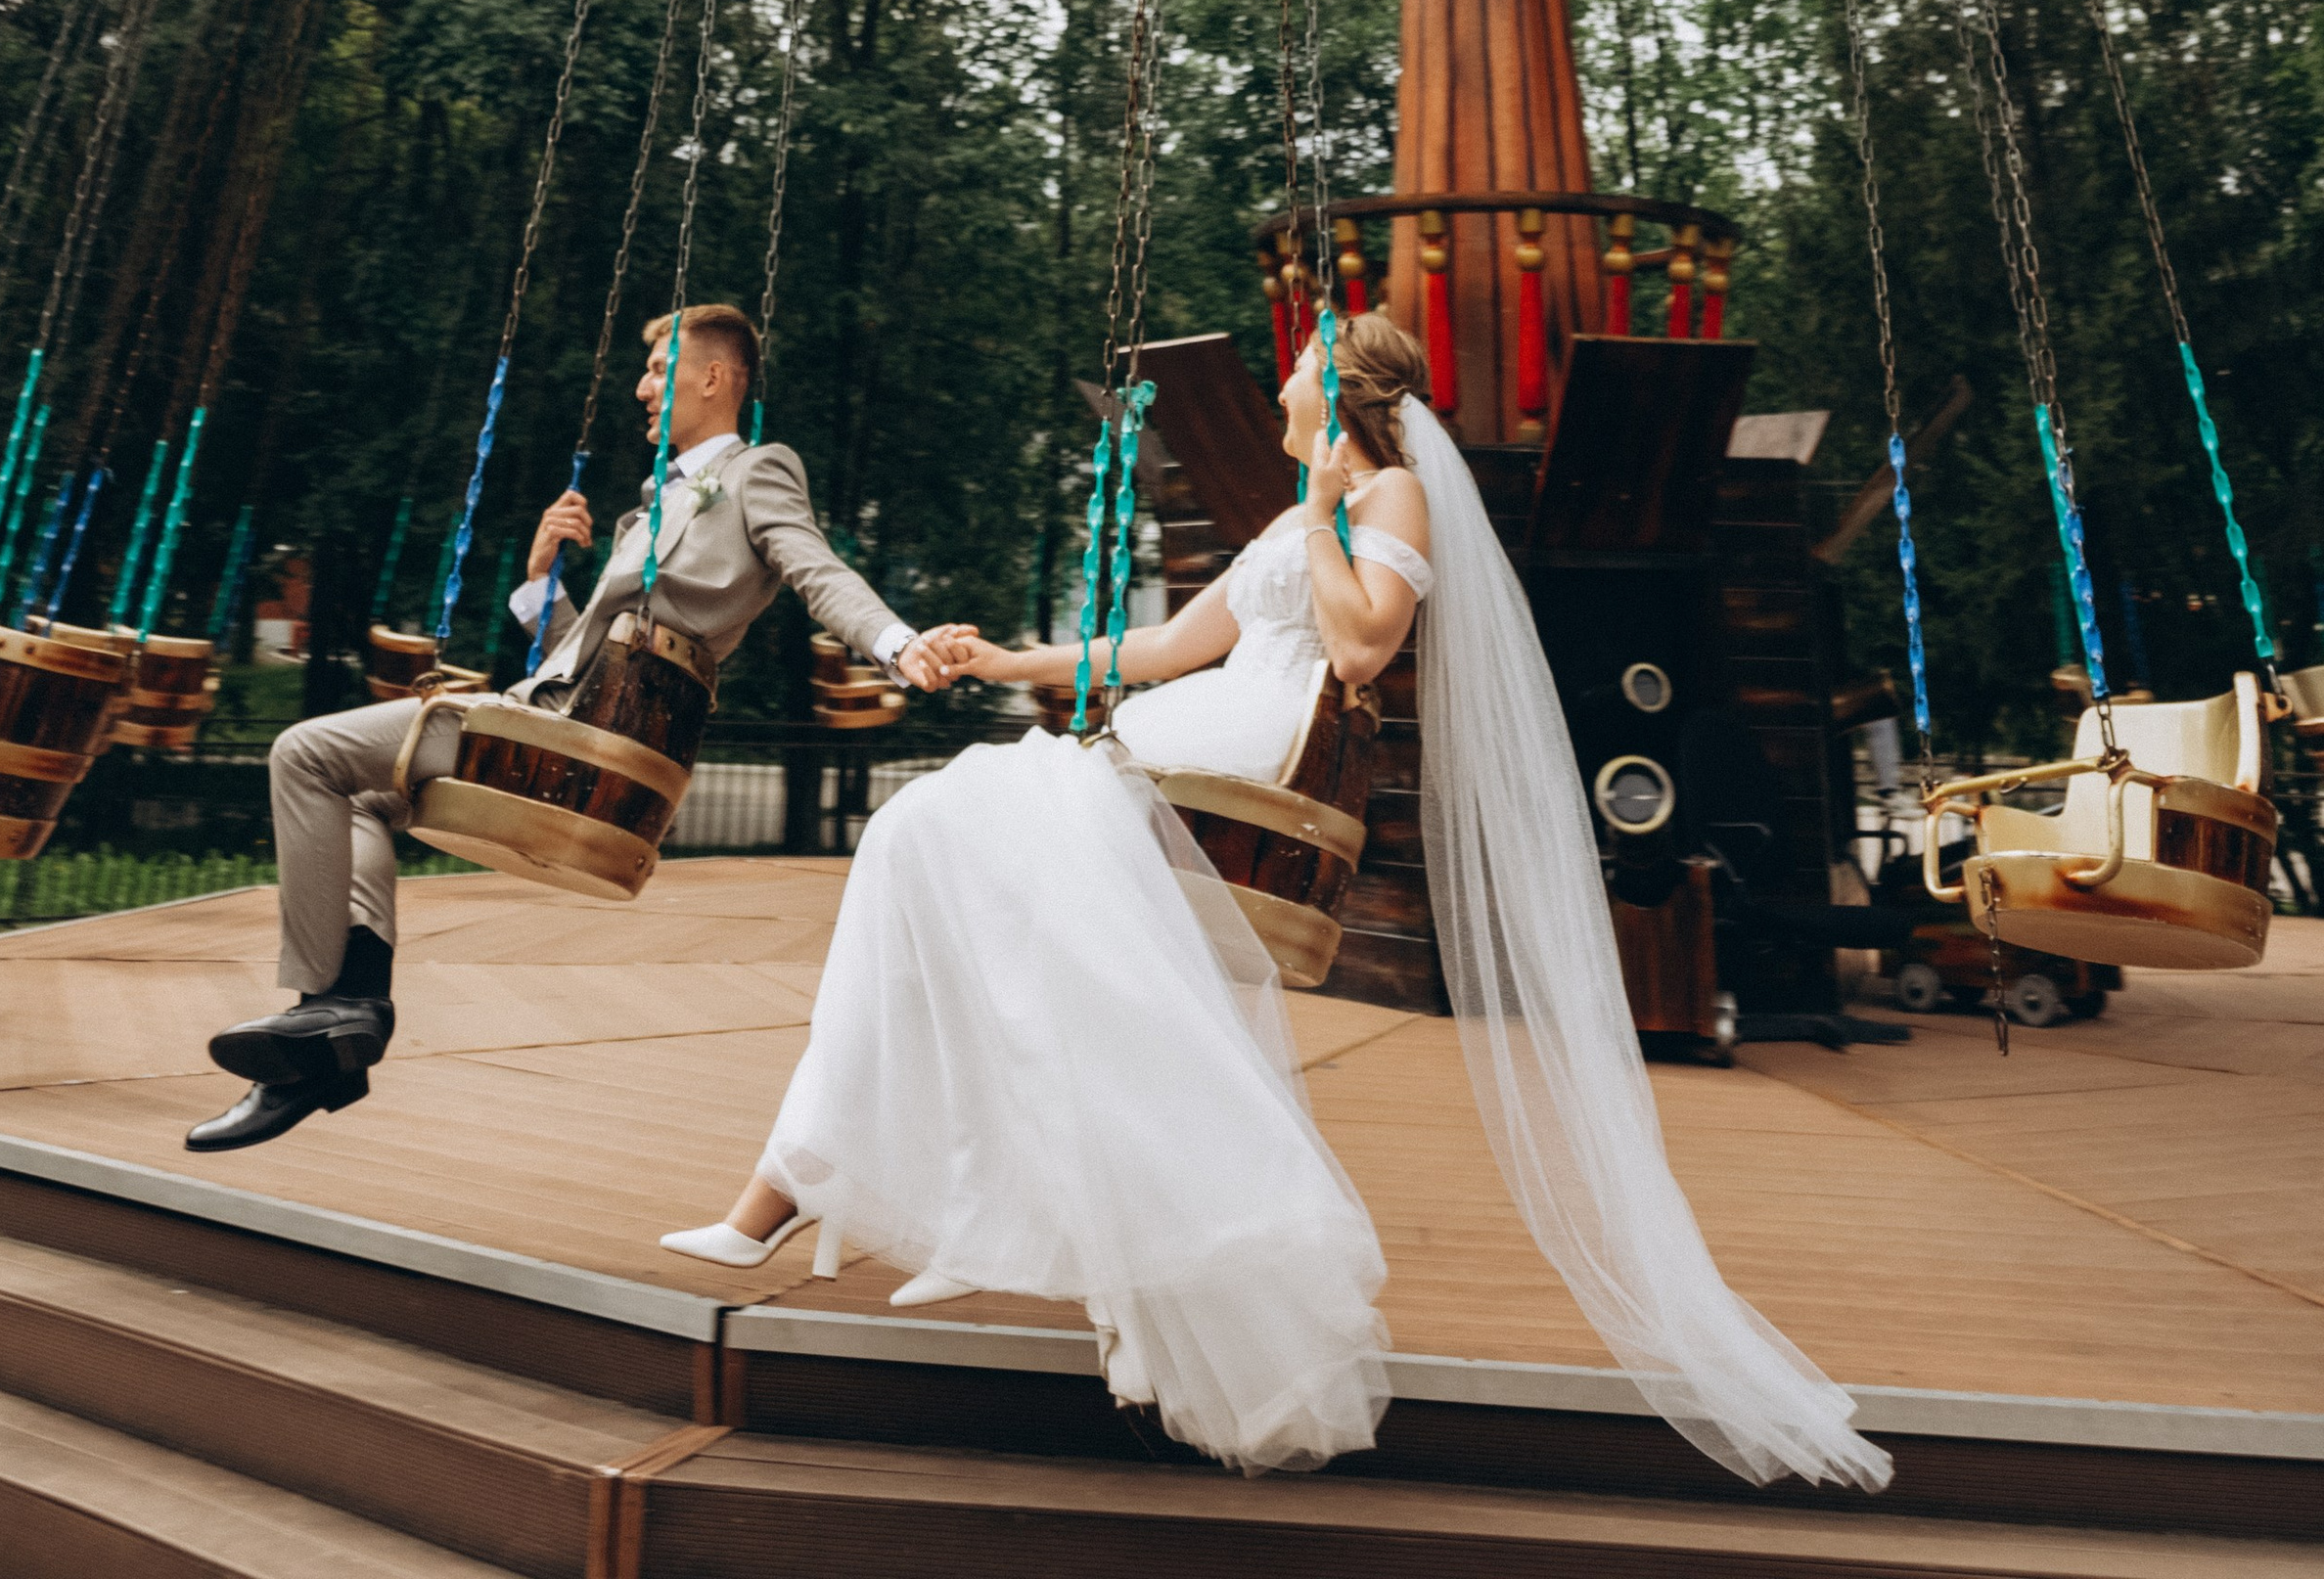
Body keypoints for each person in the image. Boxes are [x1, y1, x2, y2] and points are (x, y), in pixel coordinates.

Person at [663, 310, 1890, 1498]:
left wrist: (1314, 518)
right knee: (954, 882)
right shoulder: (1294, 517)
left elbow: (1359, 649)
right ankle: (908, 1197)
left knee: (934, 840)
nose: (1281, 385)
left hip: (1235, 776)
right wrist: (1007, 661)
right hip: (1166, 738)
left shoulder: (1386, 496)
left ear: (1343, 391)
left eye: (1298, 368)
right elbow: (1152, 654)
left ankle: (848, 1192)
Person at [188, 301, 959, 1154]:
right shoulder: (646, 513)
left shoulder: (756, 473)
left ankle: (328, 1013)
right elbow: (582, 658)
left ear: (714, 378)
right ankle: (341, 1023)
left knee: (304, 753)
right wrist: (541, 579)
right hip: (563, 717)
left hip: (588, 741)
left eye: (661, 369)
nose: (641, 386)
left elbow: (818, 570)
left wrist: (896, 641)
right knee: (362, 800)